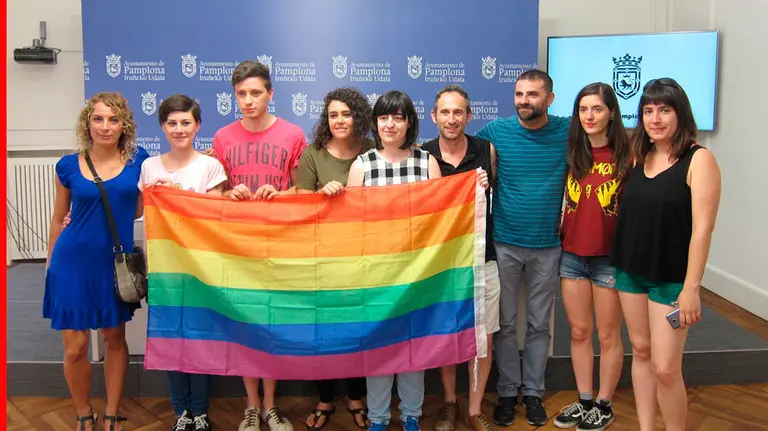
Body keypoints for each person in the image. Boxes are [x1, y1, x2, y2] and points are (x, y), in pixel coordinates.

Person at [609, 78, 721, 431]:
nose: (655, 119)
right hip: (631, 273)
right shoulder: (639, 155)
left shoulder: (699, 159)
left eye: (664, 110)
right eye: (648, 111)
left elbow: (703, 230)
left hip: (671, 278)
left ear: (680, 113)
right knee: (640, 353)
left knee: (666, 368)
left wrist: (692, 288)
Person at [210, 60, 307, 431]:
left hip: (277, 242)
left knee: (270, 324)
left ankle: (271, 405)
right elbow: (215, 191)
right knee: (243, 323)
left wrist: (282, 194)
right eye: (241, 94)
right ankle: (251, 405)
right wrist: (228, 191)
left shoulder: (292, 134)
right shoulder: (222, 137)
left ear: (270, 94)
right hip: (238, 244)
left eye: (255, 93)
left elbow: (303, 189)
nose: (248, 100)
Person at [44, 92, 149, 431]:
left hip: (111, 265)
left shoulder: (139, 162)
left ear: (125, 125)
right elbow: (59, 216)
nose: (105, 126)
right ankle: (83, 413)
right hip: (71, 264)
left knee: (114, 339)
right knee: (75, 348)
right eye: (98, 119)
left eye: (113, 119)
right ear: (87, 123)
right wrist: (49, 267)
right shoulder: (68, 165)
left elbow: (137, 210)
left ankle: (112, 413)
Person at [476, 69, 570, 427]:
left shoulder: (567, 130)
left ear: (549, 98)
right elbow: (458, 151)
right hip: (504, 244)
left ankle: (532, 392)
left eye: (532, 94)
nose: (523, 101)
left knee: (538, 326)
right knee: (504, 324)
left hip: (548, 245)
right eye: (518, 94)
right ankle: (506, 392)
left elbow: (612, 141)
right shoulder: (497, 131)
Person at [346, 90, 444, 431]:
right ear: (376, 122)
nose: (390, 124)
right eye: (384, 117)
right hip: (375, 274)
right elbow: (350, 223)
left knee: (412, 347)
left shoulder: (425, 162)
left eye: (398, 117)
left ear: (409, 123)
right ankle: (378, 418)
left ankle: (412, 415)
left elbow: (441, 217)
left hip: (417, 272)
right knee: (379, 348)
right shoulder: (362, 165)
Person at [138, 95, 233, 431]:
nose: (179, 129)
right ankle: (181, 411)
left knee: (200, 339)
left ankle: (200, 410)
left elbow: (216, 217)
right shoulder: (149, 166)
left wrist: (178, 194)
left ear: (198, 126)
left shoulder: (210, 167)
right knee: (170, 337)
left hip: (200, 270)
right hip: (164, 270)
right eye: (172, 123)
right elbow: (139, 211)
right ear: (163, 126)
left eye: (186, 122)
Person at [553, 83, 631, 431]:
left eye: (597, 109)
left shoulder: (628, 157)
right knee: (580, 331)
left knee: (609, 335)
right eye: (583, 109)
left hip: (609, 259)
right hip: (572, 255)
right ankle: (585, 399)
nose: (589, 116)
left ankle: (604, 403)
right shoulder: (572, 153)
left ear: (611, 112)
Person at [295, 87, 373, 430]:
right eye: (333, 115)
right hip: (321, 258)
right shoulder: (312, 155)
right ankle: (326, 398)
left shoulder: (373, 152)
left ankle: (357, 396)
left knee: (359, 330)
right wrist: (320, 197)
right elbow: (299, 204)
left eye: (346, 113)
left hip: (364, 257)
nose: (339, 120)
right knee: (323, 332)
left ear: (358, 116)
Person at [422, 85, 499, 431]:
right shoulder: (423, 157)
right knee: (447, 333)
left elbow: (494, 203)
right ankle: (450, 402)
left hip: (484, 258)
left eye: (458, 113)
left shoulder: (487, 151)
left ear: (469, 116)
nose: (451, 120)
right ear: (433, 116)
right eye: (445, 113)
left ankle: (475, 406)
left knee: (484, 335)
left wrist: (484, 188)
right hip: (441, 263)